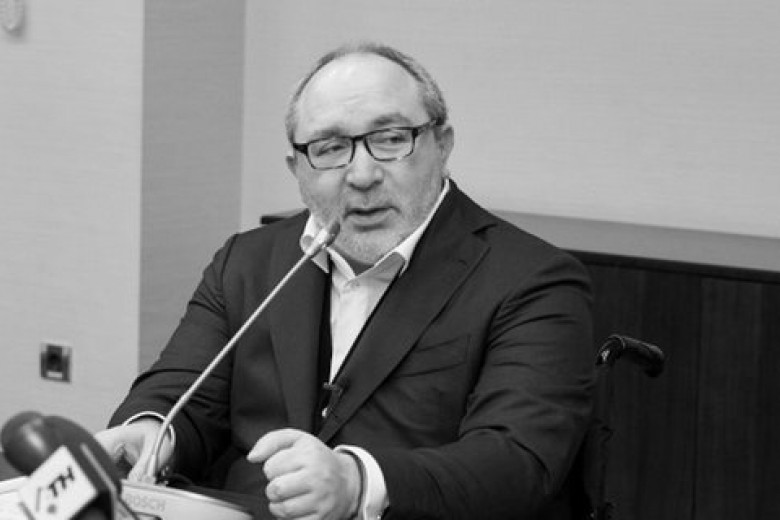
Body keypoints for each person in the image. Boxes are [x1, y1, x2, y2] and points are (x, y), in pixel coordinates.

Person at [97, 42, 595, 520]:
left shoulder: (532, 281)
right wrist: (151, 433)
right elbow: (183, 393)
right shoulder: (248, 261)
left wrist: (356, 482)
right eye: (331, 148)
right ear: (297, 168)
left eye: (390, 139)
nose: (361, 174)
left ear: (442, 144)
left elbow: (517, 462)